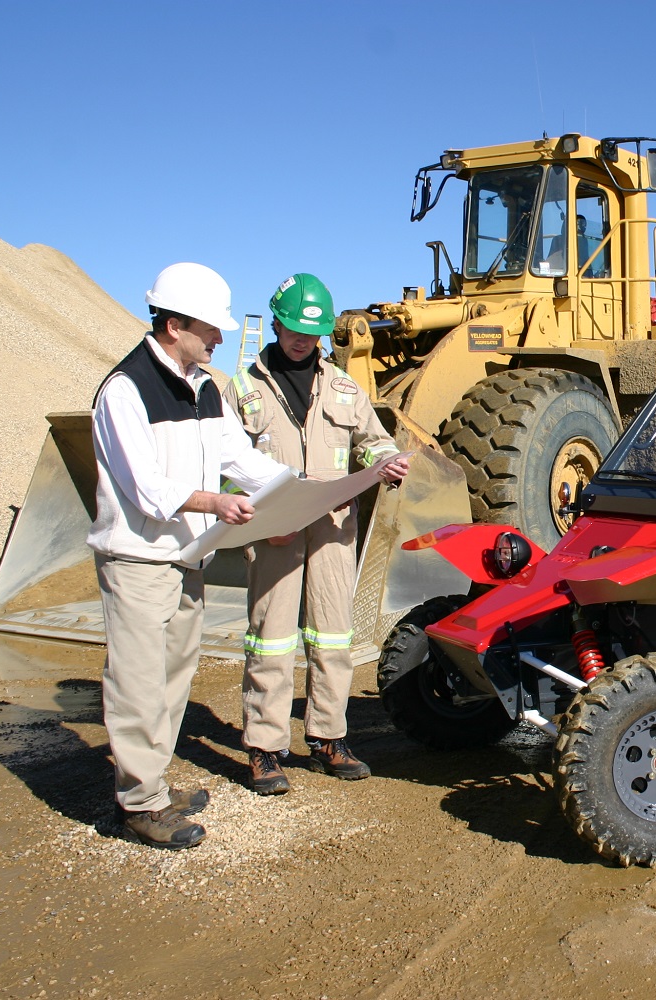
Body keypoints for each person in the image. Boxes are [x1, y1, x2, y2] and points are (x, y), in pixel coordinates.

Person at [89, 262, 294, 850]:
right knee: (136, 681)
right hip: (138, 559)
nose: (220, 339)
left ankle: (151, 783)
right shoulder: (125, 390)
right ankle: (139, 803)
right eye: (210, 328)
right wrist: (215, 502)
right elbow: (146, 488)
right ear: (174, 323)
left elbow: (240, 458)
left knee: (173, 676)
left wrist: (295, 486)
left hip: (188, 557)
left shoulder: (205, 388)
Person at [223, 273, 411, 795]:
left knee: (332, 634)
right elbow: (222, 465)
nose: (301, 340)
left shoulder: (345, 389)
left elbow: (371, 443)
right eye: (292, 329)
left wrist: (387, 462)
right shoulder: (243, 389)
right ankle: (265, 747)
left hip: (332, 528)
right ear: (277, 323)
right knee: (272, 637)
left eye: (312, 332)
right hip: (276, 530)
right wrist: (255, 517)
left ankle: (330, 737)